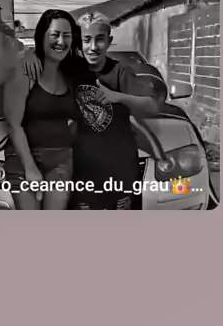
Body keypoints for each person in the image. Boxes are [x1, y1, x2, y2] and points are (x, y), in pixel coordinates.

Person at [23, 11, 167, 209]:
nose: (93, 47)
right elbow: (45, 57)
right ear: (78, 42)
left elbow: (151, 107)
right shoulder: (71, 69)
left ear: (109, 41)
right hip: (82, 172)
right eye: (86, 40)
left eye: (99, 39)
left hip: (119, 171)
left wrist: (118, 97)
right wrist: (29, 53)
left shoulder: (121, 72)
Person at [2, 9, 82, 210]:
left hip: (61, 160)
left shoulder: (71, 72)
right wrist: (30, 168)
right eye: (55, 34)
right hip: (24, 159)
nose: (61, 41)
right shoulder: (25, 70)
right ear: (42, 36)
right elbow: (13, 125)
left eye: (67, 35)